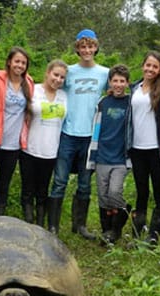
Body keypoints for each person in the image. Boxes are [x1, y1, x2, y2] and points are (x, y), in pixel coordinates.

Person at [46, 29, 109, 239]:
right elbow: (52, 88)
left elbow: (115, 93)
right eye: (83, 46)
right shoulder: (69, 71)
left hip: (91, 136)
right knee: (60, 180)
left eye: (91, 46)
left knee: (84, 183)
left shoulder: (104, 73)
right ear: (77, 48)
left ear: (96, 47)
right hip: (68, 133)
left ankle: (79, 225)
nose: (87, 50)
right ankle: (53, 226)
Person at [0, 46, 34, 218]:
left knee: (4, 182)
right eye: (17, 61)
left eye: (23, 63)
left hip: (13, 144)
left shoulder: (29, 83)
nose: (20, 65)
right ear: (9, 62)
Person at [128, 51, 160, 245]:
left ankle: (154, 235)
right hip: (136, 147)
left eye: (155, 66)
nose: (150, 69)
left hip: (157, 149)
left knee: (159, 193)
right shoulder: (134, 88)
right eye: (148, 65)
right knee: (142, 191)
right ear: (142, 65)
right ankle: (137, 233)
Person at [86, 64, 131, 244]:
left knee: (114, 192)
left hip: (120, 157)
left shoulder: (131, 102)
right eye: (115, 81)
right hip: (102, 155)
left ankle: (118, 225)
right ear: (109, 83)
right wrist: (93, 155)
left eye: (122, 81)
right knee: (103, 196)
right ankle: (108, 231)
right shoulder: (103, 103)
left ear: (127, 83)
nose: (118, 84)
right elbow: (95, 128)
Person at [19, 59, 68, 226]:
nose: (58, 79)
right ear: (47, 73)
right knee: (28, 190)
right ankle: (28, 222)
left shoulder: (64, 96)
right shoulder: (33, 90)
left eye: (62, 77)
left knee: (43, 190)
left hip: (51, 151)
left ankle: (40, 224)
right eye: (55, 75)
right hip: (30, 149)